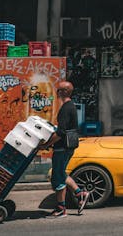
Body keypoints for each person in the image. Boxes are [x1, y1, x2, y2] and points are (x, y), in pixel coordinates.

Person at [41, 81, 89, 217]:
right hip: (68, 146)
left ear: (64, 92)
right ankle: (80, 194)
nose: (57, 93)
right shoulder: (70, 107)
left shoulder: (66, 108)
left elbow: (61, 132)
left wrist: (46, 144)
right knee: (61, 173)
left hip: (62, 147)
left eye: (59, 90)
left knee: (58, 178)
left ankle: (61, 209)